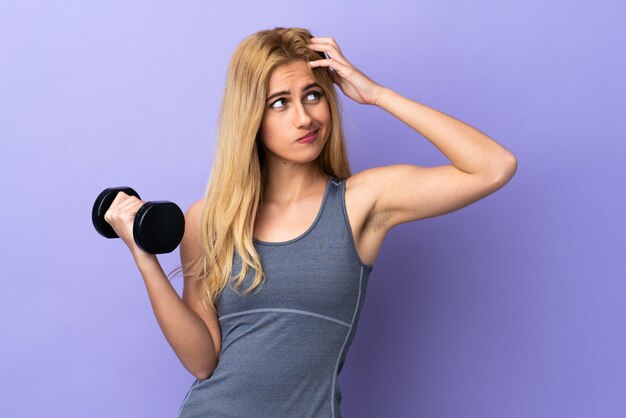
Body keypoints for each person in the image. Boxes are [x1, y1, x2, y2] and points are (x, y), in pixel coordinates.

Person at [103, 27, 517, 417]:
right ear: (252, 117)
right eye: (279, 102)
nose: (304, 118)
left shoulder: (361, 203)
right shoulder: (209, 219)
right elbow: (202, 361)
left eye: (314, 95)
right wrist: (146, 261)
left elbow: (493, 166)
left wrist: (377, 95)